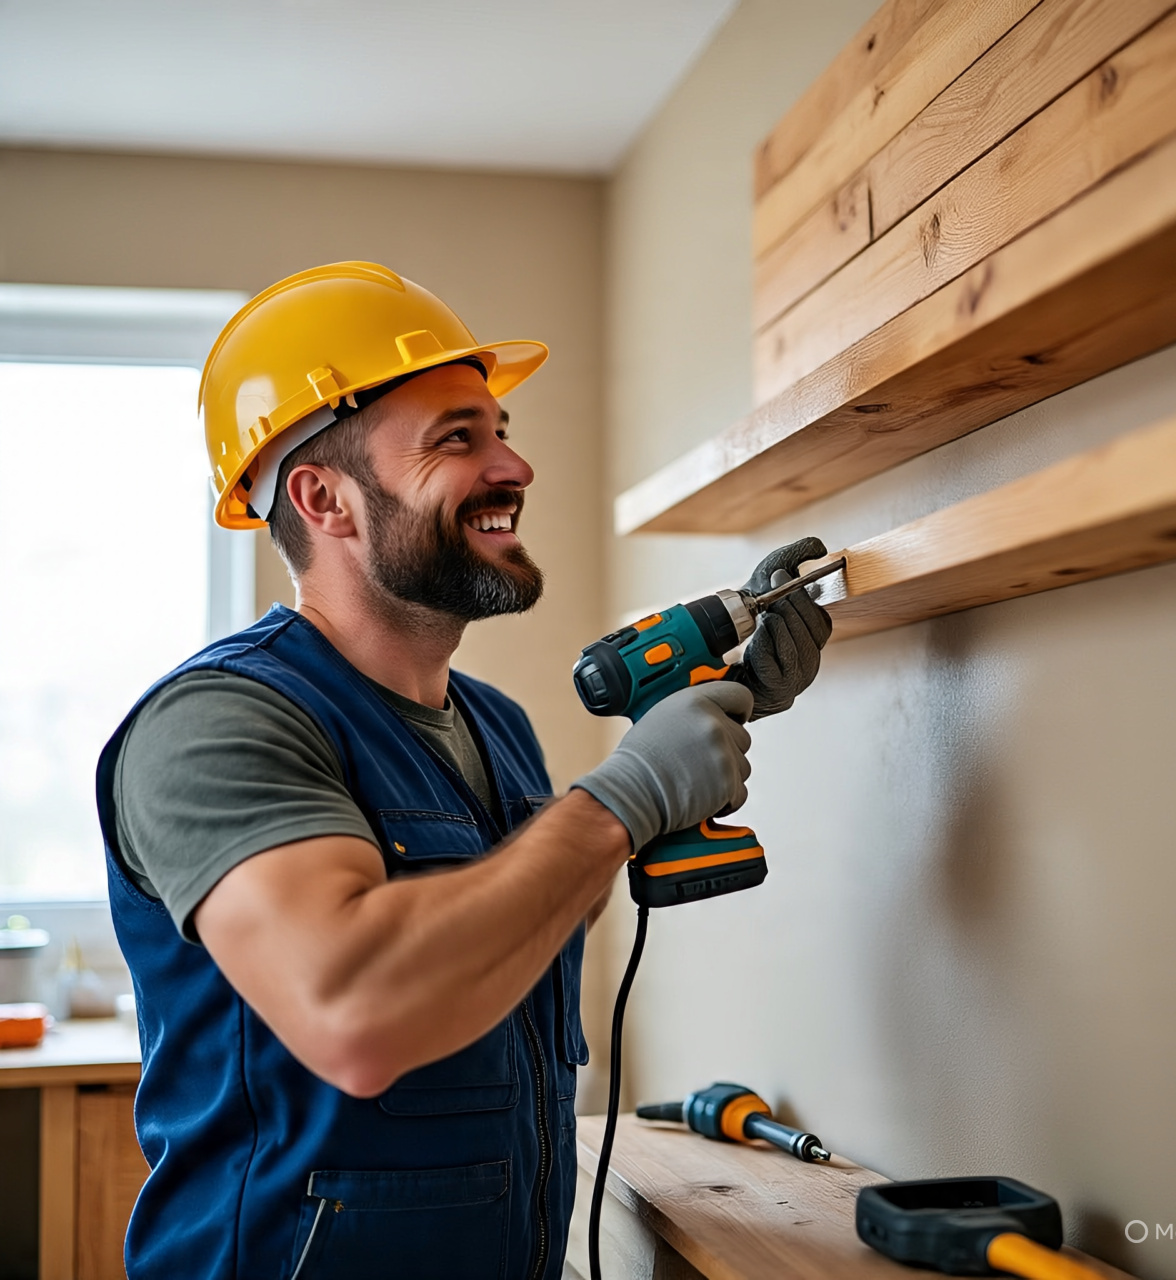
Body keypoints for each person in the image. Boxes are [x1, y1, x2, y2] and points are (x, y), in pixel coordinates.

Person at [96, 261, 832, 1279]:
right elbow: (353, 1011)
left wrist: (717, 712)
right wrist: (622, 797)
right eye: (457, 438)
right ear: (325, 498)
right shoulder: (216, 722)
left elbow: (499, 934)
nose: (514, 466)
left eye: (501, 430)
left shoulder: (496, 727)